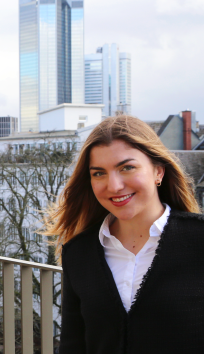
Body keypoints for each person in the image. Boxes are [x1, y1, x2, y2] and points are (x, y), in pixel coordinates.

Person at [44, 116, 203, 353]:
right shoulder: (79, 252)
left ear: (158, 171)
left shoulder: (198, 240)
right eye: (99, 173)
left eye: (127, 167)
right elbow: (72, 345)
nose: (114, 185)